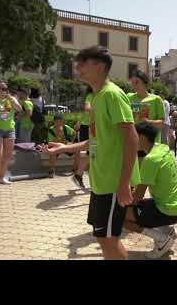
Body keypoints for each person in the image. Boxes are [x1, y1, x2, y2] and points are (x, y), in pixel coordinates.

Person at [45, 45, 141, 260]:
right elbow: (98, 140)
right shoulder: (97, 98)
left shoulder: (112, 95)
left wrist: (124, 182)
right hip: (101, 181)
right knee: (103, 238)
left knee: (109, 239)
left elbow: (132, 137)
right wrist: (65, 147)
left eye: (82, 63)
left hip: (113, 182)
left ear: (99, 66)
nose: (77, 67)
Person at [123, 122, 177, 259]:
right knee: (144, 206)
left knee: (122, 216)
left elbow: (137, 197)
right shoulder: (163, 148)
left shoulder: (151, 159)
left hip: (167, 210)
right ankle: (168, 231)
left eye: (133, 135)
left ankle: (162, 239)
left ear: (142, 137)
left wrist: (120, 197)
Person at [0, 80, 22, 188]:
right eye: (1, 88)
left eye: (5, 88)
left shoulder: (11, 99)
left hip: (10, 130)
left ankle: (2, 177)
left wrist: (12, 100)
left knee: (7, 156)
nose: (3, 90)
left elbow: (19, 109)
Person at [46, 114, 79, 179]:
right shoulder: (51, 130)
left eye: (60, 121)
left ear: (62, 121)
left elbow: (74, 133)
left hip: (65, 146)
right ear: (54, 121)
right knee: (52, 153)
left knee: (77, 150)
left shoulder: (65, 127)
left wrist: (71, 142)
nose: (58, 123)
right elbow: (49, 143)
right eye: (57, 121)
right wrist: (57, 136)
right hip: (57, 147)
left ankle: (75, 169)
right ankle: (51, 171)